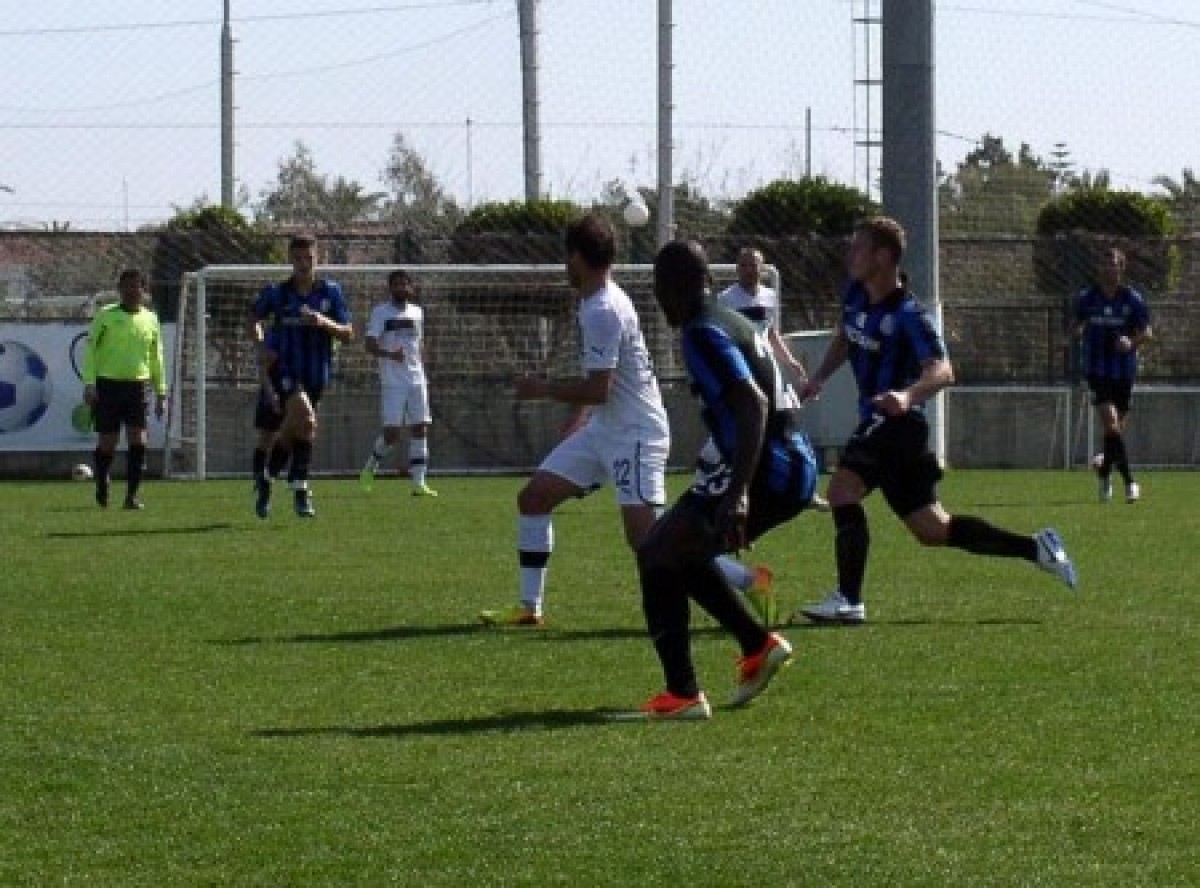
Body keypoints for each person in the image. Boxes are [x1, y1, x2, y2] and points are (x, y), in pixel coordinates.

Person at [794, 216, 1077, 626]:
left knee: (841, 490)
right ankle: (1037, 548)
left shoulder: (910, 315)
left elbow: (943, 371)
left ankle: (848, 600)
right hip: (885, 428)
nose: (849, 254)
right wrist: (818, 377)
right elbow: (845, 335)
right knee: (932, 529)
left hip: (898, 424)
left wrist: (906, 396)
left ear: (883, 256)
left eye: (858, 247)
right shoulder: (855, 294)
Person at [637, 240, 818, 720]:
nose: (659, 299)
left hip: (771, 468)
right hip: (791, 462)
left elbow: (752, 402)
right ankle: (756, 646)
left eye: (659, 288)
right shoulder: (729, 319)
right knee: (677, 549)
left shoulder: (701, 331)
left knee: (656, 551)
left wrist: (737, 494)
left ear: (675, 287)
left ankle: (683, 695)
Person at [479, 213, 671, 627]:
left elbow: (599, 388)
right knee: (534, 498)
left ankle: (746, 580)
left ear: (577, 257)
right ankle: (529, 607)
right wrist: (580, 421)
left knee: (649, 542)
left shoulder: (603, 308)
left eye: (566, 255)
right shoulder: (594, 300)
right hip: (605, 429)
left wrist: (542, 389)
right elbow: (601, 385)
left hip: (635, 434)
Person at [246, 233, 353, 518]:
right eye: (298, 258)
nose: (304, 264)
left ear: (319, 258)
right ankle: (300, 487)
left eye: (309, 258)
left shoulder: (331, 292)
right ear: (290, 260)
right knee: (306, 419)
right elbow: (253, 318)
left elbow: (348, 334)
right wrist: (261, 347)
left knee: (298, 430)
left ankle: (267, 477)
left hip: (317, 372)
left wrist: (323, 322)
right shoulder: (277, 293)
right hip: (285, 370)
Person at [81, 268, 167, 510]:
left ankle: (132, 496)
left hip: (139, 386)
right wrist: (89, 383)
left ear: (144, 290)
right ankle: (102, 480)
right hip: (108, 385)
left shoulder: (151, 319)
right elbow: (91, 350)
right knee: (108, 442)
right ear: (120, 289)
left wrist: (161, 392)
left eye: (136, 286)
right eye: (127, 286)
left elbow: (156, 356)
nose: (132, 290)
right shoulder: (105, 316)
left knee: (139, 440)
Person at [1073, 247, 1152, 503]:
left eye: (1114, 264)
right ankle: (1130, 482)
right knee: (1110, 421)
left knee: (1113, 431)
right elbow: (1076, 324)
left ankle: (1105, 473)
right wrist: (1075, 332)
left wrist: (1131, 342)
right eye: (1105, 264)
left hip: (1124, 371)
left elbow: (1147, 332)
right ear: (1100, 268)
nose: (1109, 269)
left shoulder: (1132, 299)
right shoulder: (1087, 298)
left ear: (1121, 268)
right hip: (1097, 369)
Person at [358, 269, 438, 497]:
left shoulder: (417, 312)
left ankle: (419, 483)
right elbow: (369, 344)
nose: (401, 288)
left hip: (417, 379)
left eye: (405, 284)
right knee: (392, 434)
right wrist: (390, 355)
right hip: (393, 380)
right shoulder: (380, 312)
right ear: (390, 288)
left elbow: (419, 344)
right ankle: (370, 466)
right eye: (397, 284)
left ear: (410, 287)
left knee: (420, 427)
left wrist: (423, 365)